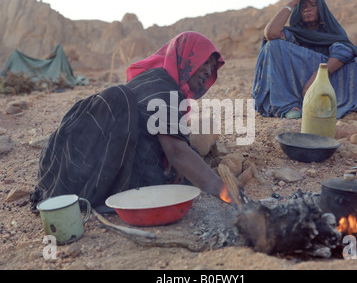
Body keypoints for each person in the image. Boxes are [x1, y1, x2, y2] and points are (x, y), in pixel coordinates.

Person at [31, 31, 225, 213]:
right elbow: (176, 151)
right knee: (118, 98)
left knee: (183, 177)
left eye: (212, 66)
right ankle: (83, 196)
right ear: (186, 58)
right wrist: (227, 193)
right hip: (73, 165)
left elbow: (173, 146)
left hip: (121, 157)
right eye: (204, 62)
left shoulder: (172, 94)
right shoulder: (161, 84)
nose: (209, 71)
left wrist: (182, 161)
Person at [252, 0, 357, 119]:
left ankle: (330, 103)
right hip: (297, 80)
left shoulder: (331, 30)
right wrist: (293, 1)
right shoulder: (293, 34)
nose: (307, 9)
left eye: (312, 5)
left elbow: (344, 50)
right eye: (302, 6)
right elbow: (271, 34)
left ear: (321, 10)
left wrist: (319, 75)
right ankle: (289, 105)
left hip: (326, 78)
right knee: (273, 46)